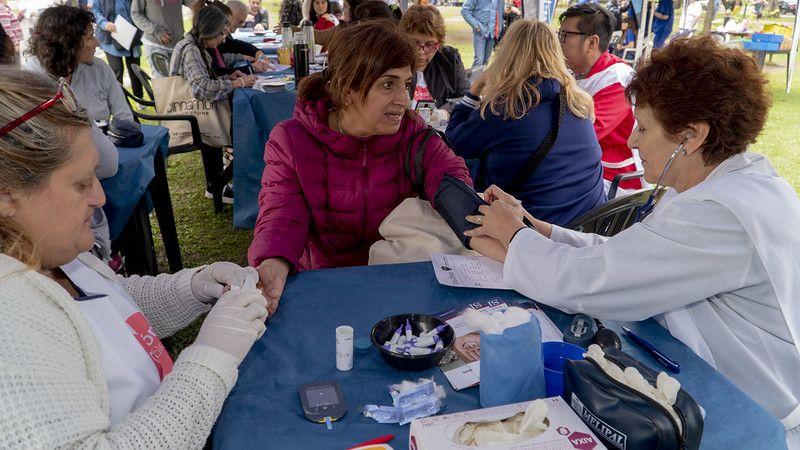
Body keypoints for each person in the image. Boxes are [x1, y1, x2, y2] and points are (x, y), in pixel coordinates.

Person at [463, 36, 800, 449]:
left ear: (691, 137)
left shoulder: (720, 214)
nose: (632, 142)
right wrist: (536, 228)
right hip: (711, 381)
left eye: (643, 127)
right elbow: (626, 256)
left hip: (742, 413)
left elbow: (594, 281)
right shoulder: (725, 183)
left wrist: (514, 238)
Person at [0, 67, 268, 447]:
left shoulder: (46, 249)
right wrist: (210, 358)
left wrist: (192, 288)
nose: (99, 198)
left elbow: (110, 305)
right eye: (81, 184)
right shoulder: (9, 334)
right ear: (6, 196)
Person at [248, 21, 471, 313]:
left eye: (406, 84)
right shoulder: (291, 140)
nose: (404, 100)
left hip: (395, 283)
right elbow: (281, 213)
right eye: (388, 84)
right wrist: (273, 262)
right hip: (322, 287)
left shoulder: (413, 135)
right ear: (348, 88)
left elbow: (450, 178)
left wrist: (481, 219)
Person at [445, 20, 605, 226]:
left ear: (507, 55)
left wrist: (474, 91)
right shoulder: (577, 102)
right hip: (588, 225)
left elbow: (452, 143)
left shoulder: (506, 109)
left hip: (537, 232)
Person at [28, 5, 129, 260]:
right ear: (69, 42)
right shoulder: (44, 90)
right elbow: (107, 164)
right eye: (90, 36)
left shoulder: (92, 71)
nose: (96, 42)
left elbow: (124, 117)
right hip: (67, 224)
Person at [559, 4, 641, 191]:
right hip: (582, 170)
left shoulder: (616, 79)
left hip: (615, 182)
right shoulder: (573, 73)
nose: (558, 42)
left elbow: (584, 135)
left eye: (565, 35)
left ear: (591, 43)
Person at [170, 5, 257, 102]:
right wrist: (237, 83)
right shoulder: (191, 50)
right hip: (193, 115)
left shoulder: (197, 46)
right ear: (211, 30)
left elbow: (201, 80)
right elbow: (202, 89)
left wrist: (227, 78)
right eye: (222, 33)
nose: (223, 40)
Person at [400, 4, 470, 113]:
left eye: (429, 45)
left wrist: (445, 112)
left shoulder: (450, 59)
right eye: (414, 43)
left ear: (439, 43)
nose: (420, 52)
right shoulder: (393, 63)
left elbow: (468, 97)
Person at [92, 0, 144, 99]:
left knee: (135, 69)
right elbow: (95, 11)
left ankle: (139, 98)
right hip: (110, 38)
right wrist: (104, 23)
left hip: (131, 35)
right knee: (117, 72)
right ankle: (122, 103)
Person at [131, 0, 193, 78]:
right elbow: (135, 13)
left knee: (182, 82)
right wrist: (155, 30)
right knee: (164, 84)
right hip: (156, 46)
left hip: (178, 45)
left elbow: (192, 3)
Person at [461, 0, 504, 68]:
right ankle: (474, 78)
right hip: (480, 33)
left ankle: (481, 78)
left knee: (486, 62)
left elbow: (500, 14)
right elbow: (464, 11)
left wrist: (499, 30)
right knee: (479, 61)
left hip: (492, 34)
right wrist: (476, 26)